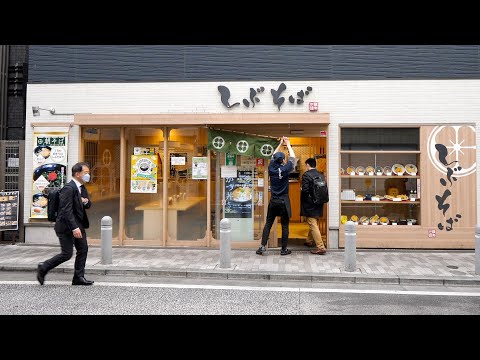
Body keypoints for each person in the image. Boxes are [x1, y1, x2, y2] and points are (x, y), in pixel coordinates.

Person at [37, 162, 94, 286]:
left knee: (83, 249)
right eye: (86, 173)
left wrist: (85, 202)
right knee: (67, 254)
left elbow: (88, 204)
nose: (88, 175)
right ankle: (43, 267)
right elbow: (66, 210)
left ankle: (78, 277)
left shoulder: (81, 187)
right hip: (66, 227)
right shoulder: (69, 188)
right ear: (78, 174)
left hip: (78, 224)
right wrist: (74, 228)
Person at [256, 136, 296, 256]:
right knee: (284, 225)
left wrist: (279, 144)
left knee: (268, 223)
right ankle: (283, 249)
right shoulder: (286, 169)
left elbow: (273, 155)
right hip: (284, 201)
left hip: (273, 200)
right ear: (283, 160)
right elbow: (293, 157)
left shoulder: (271, 168)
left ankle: (262, 246)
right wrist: (288, 144)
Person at [301, 157, 327, 255]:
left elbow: (305, 190)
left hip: (310, 203)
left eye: (305, 165)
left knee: (312, 223)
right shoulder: (320, 174)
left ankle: (320, 247)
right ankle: (309, 240)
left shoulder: (306, 175)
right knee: (313, 222)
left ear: (307, 165)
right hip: (319, 202)